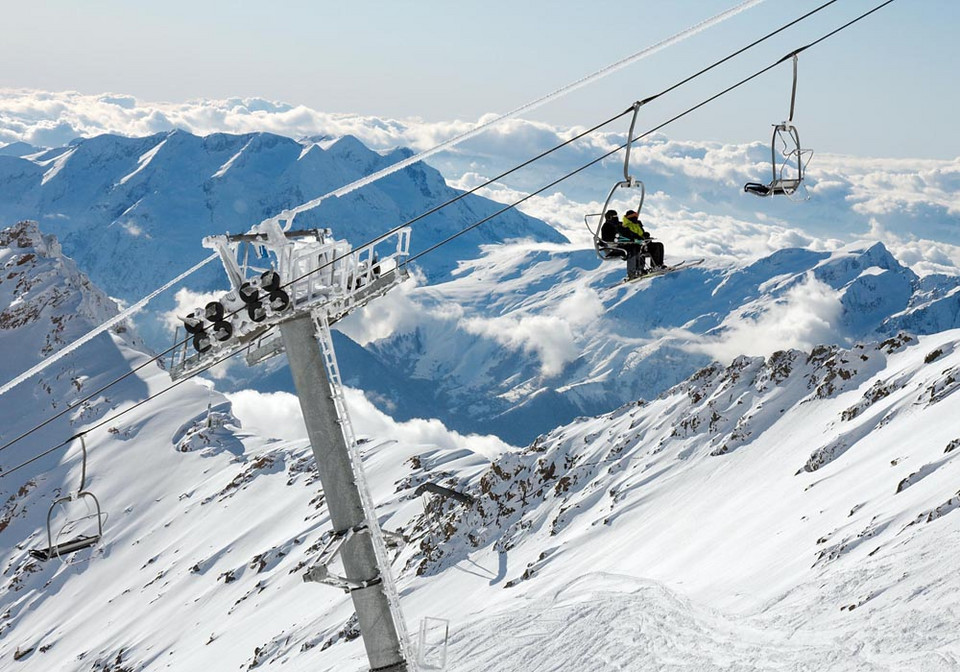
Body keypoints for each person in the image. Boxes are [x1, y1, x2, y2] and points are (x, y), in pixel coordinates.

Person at [619, 209, 665, 279]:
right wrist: (639, 238)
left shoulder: (637, 224)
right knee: (637, 249)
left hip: (643, 243)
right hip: (635, 244)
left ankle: (657, 265)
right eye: (633, 216)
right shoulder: (625, 226)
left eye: (636, 216)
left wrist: (645, 235)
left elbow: (641, 233)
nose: (635, 218)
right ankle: (635, 271)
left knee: (658, 245)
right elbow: (628, 236)